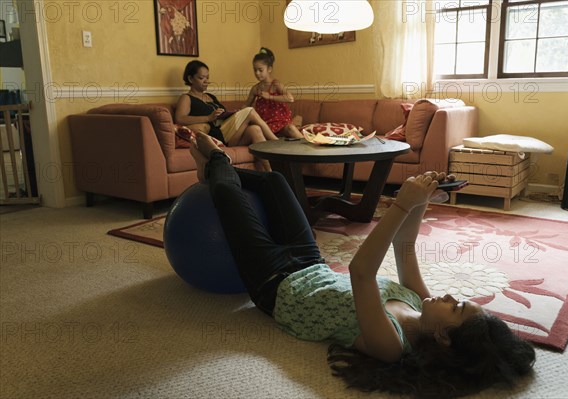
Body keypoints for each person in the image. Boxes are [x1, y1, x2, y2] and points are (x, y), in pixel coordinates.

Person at [189, 133, 536, 398]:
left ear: (444, 337)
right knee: (277, 182)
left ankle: (216, 162)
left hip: (273, 285)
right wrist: (421, 202)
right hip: (311, 263)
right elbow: (405, 246)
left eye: (456, 307)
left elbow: (361, 272)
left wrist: (401, 204)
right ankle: (218, 172)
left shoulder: (391, 344)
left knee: (227, 195)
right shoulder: (420, 301)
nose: (447, 296)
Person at [175, 60, 278, 171]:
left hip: (229, 133)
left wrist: (230, 114)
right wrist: (209, 118)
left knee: (255, 129)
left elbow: (222, 113)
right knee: (250, 111)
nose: (206, 81)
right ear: (191, 79)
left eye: (207, 78)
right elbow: (179, 118)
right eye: (201, 78)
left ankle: (270, 172)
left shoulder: (210, 96)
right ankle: (276, 142)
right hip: (219, 134)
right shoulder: (186, 98)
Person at [243, 48, 303, 139]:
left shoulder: (275, 84)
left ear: (269, 69)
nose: (257, 73)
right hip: (265, 126)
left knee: (291, 128)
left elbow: (290, 98)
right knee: (255, 130)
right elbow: (246, 106)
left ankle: (309, 148)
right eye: (255, 70)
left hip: (281, 124)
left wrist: (270, 97)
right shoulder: (255, 89)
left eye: (260, 70)